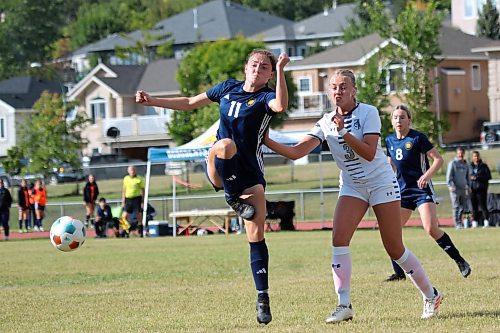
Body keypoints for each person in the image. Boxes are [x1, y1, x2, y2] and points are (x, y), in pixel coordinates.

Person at [264, 69, 443, 323]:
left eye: (343, 87)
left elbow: (370, 153)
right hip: (352, 186)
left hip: (381, 182)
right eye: (334, 87)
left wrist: (344, 133)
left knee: (394, 247)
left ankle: (431, 294)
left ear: (354, 90)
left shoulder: (368, 112)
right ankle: (343, 304)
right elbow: (296, 152)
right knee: (338, 239)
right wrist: (266, 140)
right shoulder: (325, 121)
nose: (338, 91)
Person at [136, 49, 290, 325]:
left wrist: (281, 69)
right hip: (218, 165)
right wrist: (152, 101)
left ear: (268, 75)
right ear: (245, 67)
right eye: (254, 64)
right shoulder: (227, 88)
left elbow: (280, 105)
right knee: (225, 144)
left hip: (250, 175)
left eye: (264, 67)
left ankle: (262, 297)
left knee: (256, 235)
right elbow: (189, 102)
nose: (258, 69)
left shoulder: (266, 97)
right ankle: (231, 198)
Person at [384, 105, 471, 282]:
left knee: (431, 228)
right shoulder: (389, 140)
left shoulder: (418, 138)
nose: (399, 121)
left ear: (409, 120)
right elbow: (390, 163)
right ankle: (399, 274)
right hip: (402, 191)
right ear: (392, 121)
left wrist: (426, 176)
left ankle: (460, 261)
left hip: (420, 190)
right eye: (395, 118)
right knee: (391, 232)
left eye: (402, 117)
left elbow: (438, 159)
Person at [446, 147, 470, 229]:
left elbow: (468, 177)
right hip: (455, 189)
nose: (460, 155)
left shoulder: (466, 164)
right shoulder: (453, 163)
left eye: (462, 153)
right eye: (459, 153)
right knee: (456, 206)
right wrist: (450, 185)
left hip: (463, 188)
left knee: (463, 207)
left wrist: (468, 186)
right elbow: (449, 176)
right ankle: (457, 223)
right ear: (457, 153)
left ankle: (460, 222)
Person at [120, 166, 145, 237]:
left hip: (136, 199)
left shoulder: (139, 178)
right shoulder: (126, 179)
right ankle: (127, 231)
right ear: (128, 171)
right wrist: (123, 201)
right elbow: (124, 190)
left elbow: (143, 190)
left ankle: (141, 231)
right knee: (124, 217)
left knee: (139, 216)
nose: (132, 171)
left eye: (133, 170)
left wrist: (142, 201)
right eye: (131, 170)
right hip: (128, 199)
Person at [470, 151, 492, 227]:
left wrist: (478, 178)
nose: (476, 158)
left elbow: (489, 176)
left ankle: (486, 222)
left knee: (483, 206)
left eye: (477, 156)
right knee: (474, 207)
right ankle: (475, 223)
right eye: (474, 156)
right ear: (472, 157)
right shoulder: (470, 166)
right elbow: (467, 176)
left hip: (481, 189)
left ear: (479, 157)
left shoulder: (483, 166)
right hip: (472, 189)